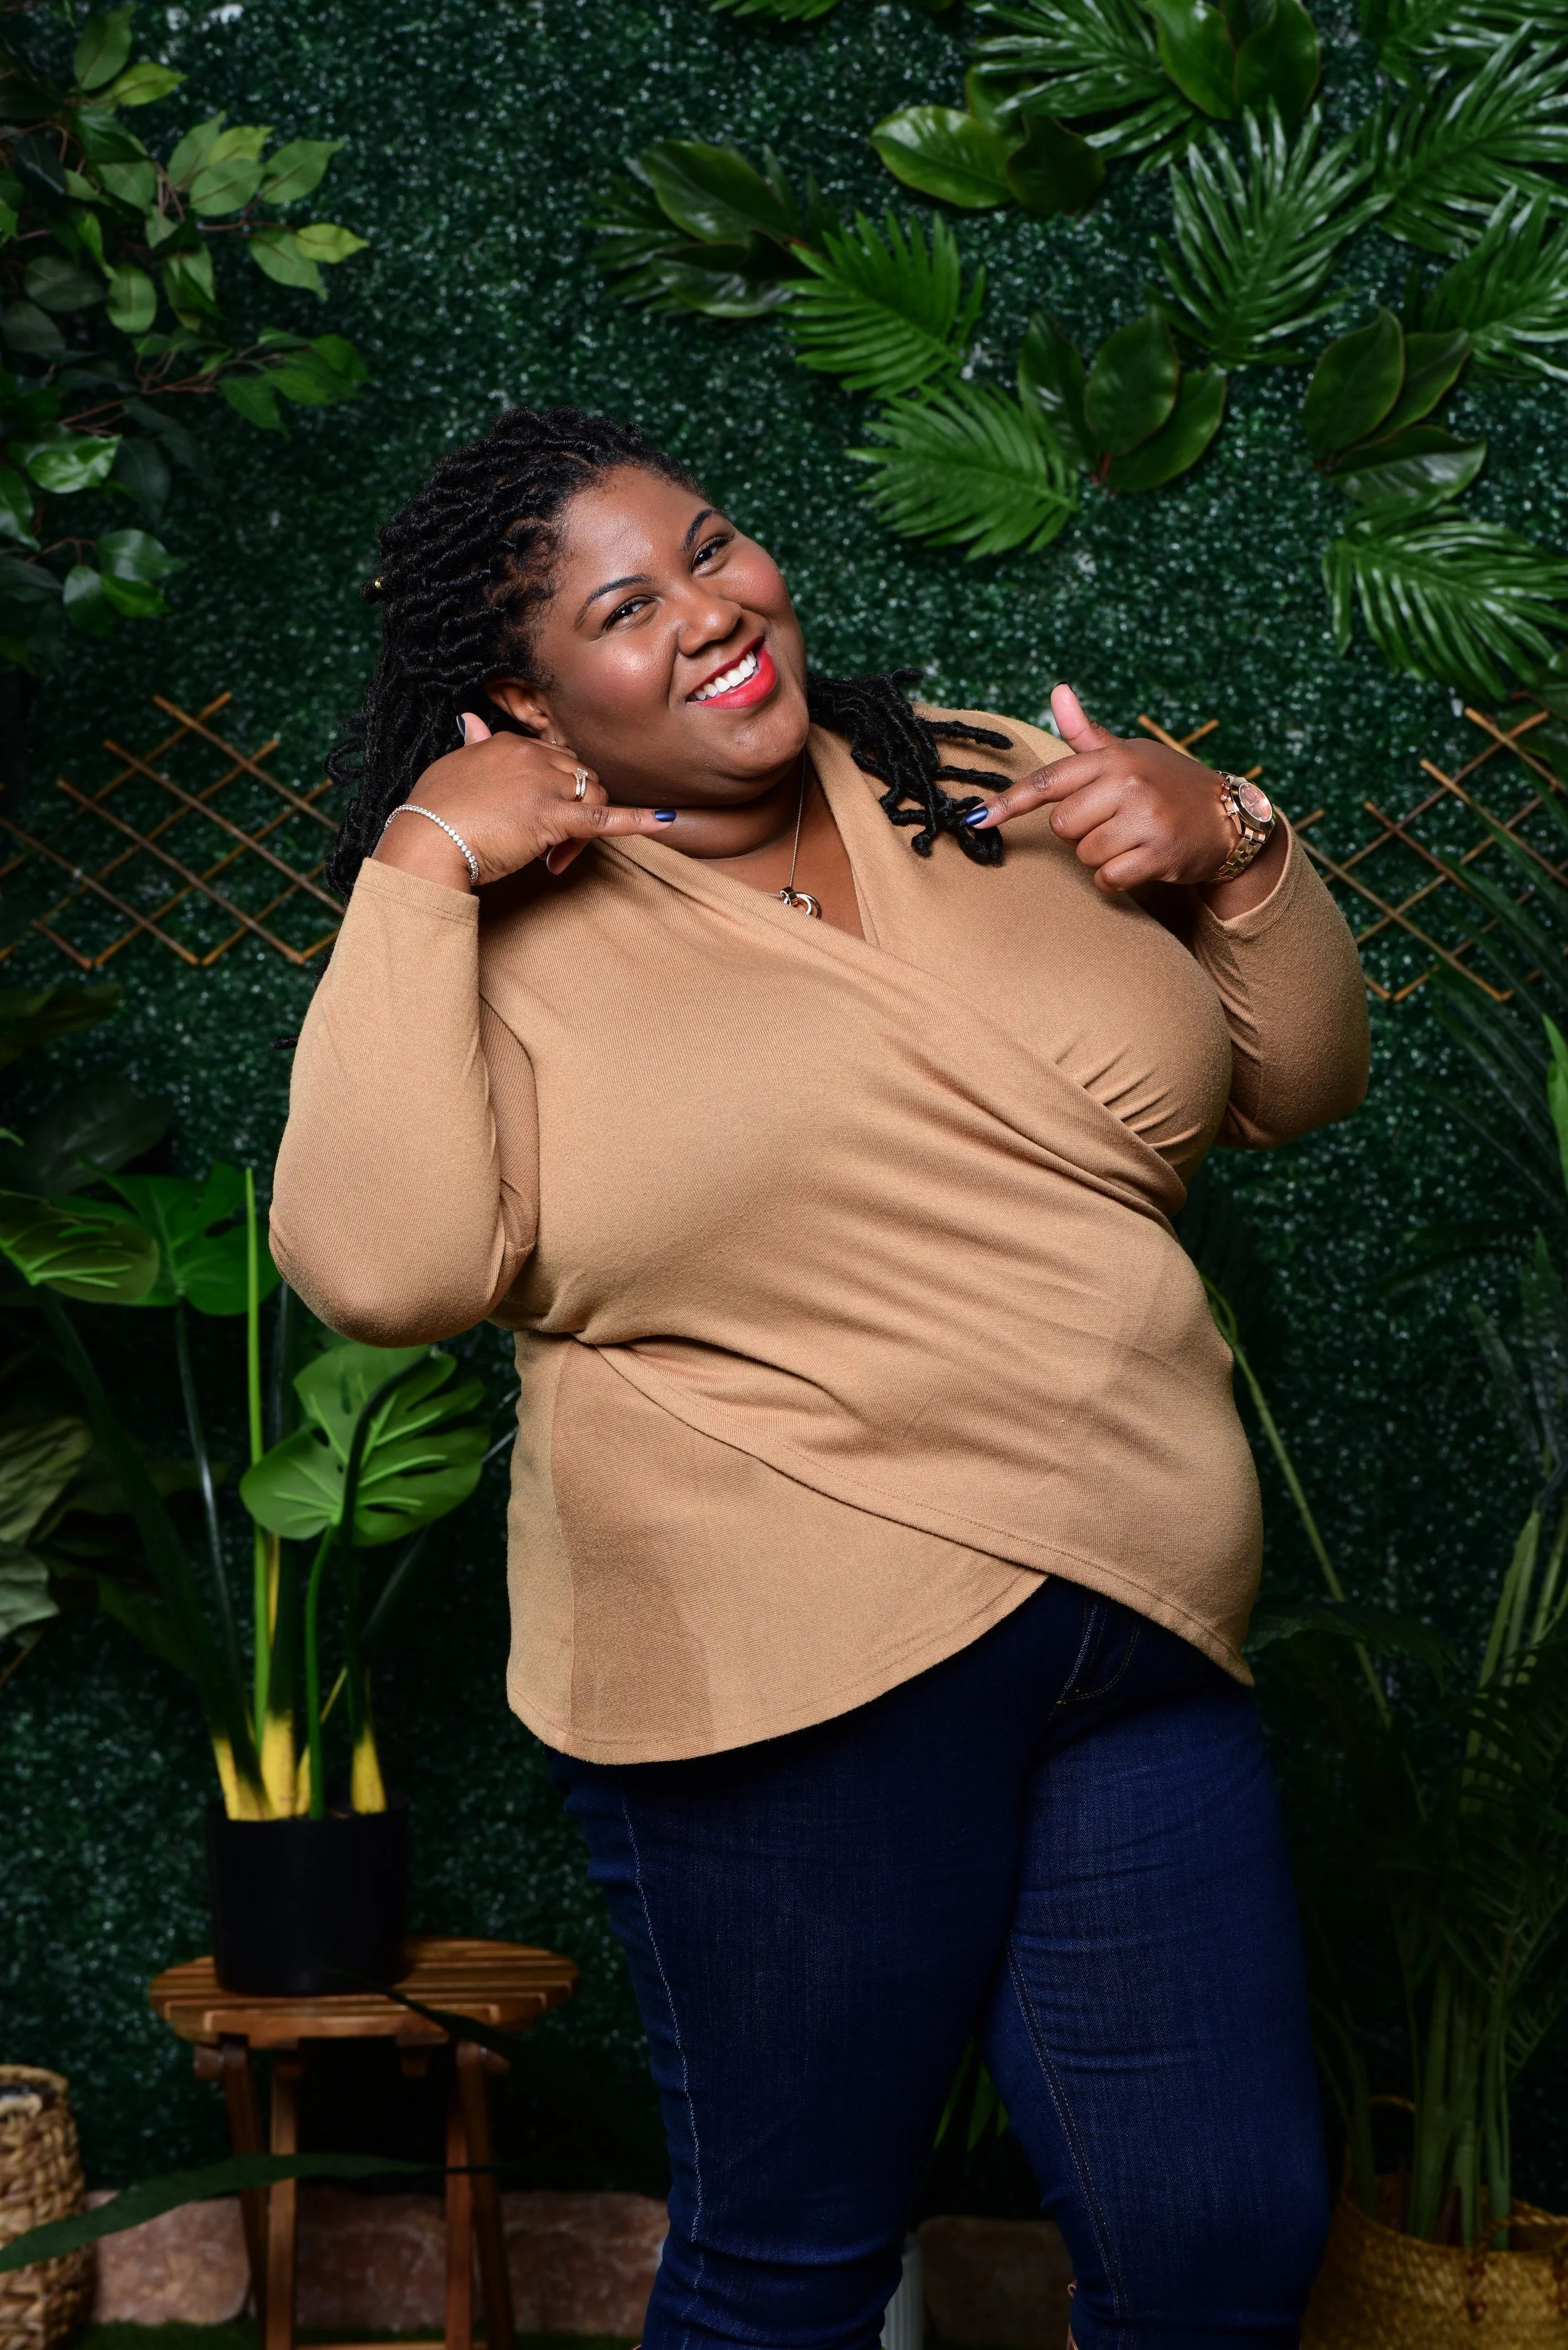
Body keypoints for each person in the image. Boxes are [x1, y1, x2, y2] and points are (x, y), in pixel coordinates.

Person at [271, 404, 1369, 2350]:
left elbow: (1290, 1082)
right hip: (787, 1667)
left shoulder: (974, 779)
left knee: (1221, 2247)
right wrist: (426, 868)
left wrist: (1232, 850)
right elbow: (385, 1271)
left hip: (1136, 1620)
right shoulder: (503, 945)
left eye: (711, 545)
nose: (710, 610)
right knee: (791, 2270)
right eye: (626, 607)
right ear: (522, 711)